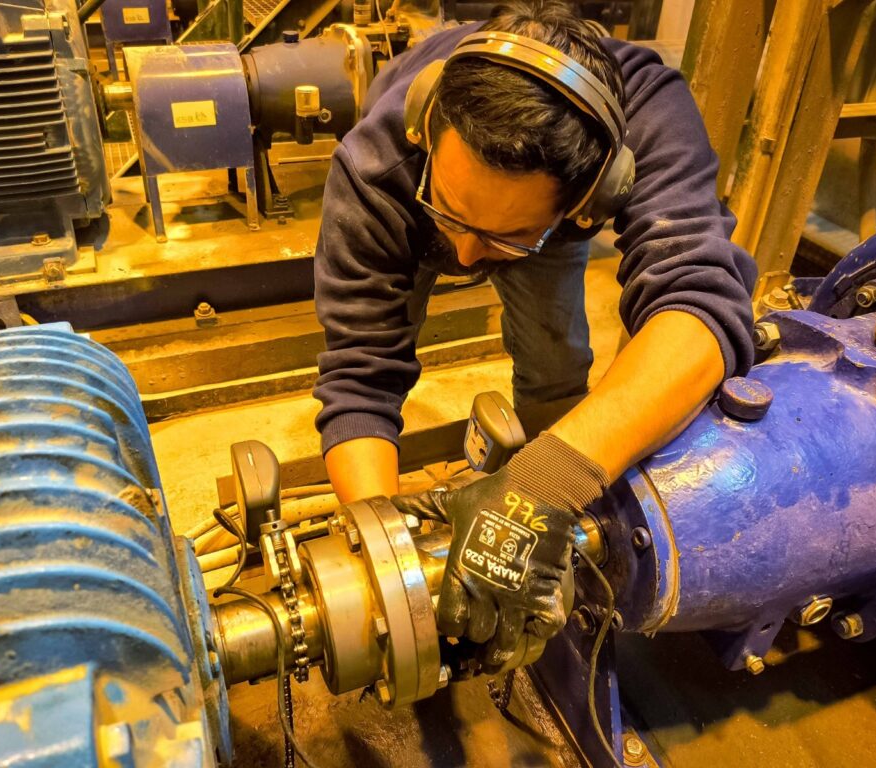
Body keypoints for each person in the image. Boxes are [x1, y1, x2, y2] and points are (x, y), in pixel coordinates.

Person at [312, 0, 757, 667]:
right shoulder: (377, 169)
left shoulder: (648, 113)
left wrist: (545, 486)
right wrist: (390, 565)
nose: (467, 257)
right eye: (456, 218)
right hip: (412, 199)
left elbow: (703, 307)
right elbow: (359, 375)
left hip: (522, 222)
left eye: (503, 236)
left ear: (591, 200)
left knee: (555, 362)